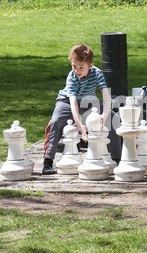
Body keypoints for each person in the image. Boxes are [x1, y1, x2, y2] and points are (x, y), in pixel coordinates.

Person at [42, 44, 122, 175]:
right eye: (74, 66)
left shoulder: (97, 73)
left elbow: (107, 97)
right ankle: (48, 161)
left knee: (114, 119)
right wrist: (81, 128)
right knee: (55, 122)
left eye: (81, 67)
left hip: (89, 102)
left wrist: (104, 116)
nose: (77, 70)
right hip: (67, 102)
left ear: (90, 66)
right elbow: (73, 104)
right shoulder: (71, 77)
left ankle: (117, 159)